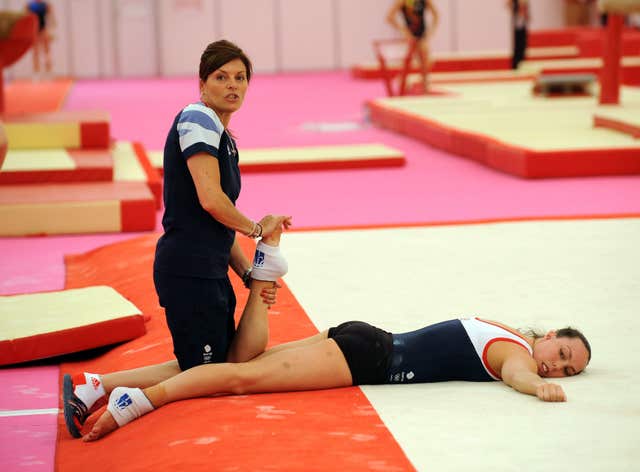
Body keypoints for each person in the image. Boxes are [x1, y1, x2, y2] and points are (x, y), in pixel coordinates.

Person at [62, 230, 592, 442]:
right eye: (562, 354)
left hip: (361, 339)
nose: (556, 367)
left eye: (566, 370)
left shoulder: (504, 329)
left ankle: (97, 382)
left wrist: (539, 377)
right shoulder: (513, 351)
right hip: (366, 358)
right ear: (548, 335)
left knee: (229, 363)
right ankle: (139, 401)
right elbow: (520, 373)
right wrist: (537, 388)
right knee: (240, 379)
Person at [62, 40, 291, 438]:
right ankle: (119, 398)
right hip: (189, 270)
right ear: (202, 83)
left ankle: (95, 385)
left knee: (210, 364)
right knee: (211, 371)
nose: (232, 86)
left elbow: (218, 223)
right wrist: (257, 230)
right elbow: (211, 201)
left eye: (240, 78)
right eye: (221, 77)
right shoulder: (198, 118)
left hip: (207, 269)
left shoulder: (223, 134)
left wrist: (248, 274)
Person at [386, 0, 439, 93]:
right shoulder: (402, 1)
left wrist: (431, 32)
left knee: (425, 61)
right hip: (410, 35)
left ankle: (424, 85)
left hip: (421, 35)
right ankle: (403, 81)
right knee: (410, 61)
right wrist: (403, 31)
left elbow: (436, 15)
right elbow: (389, 17)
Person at [25, 0, 55, 79]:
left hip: (43, 29)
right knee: (35, 52)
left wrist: (51, 30)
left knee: (47, 51)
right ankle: (36, 72)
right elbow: (25, 17)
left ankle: (48, 71)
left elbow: (51, 18)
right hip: (34, 29)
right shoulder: (30, 5)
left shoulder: (45, 5)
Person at [507, 0, 530, 69]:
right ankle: (516, 65)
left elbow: (525, 12)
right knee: (517, 47)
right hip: (517, 25)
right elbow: (509, 4)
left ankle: (521, 64)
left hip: (521, 25)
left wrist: (525, 13)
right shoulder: (515, 3)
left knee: (522, 46)